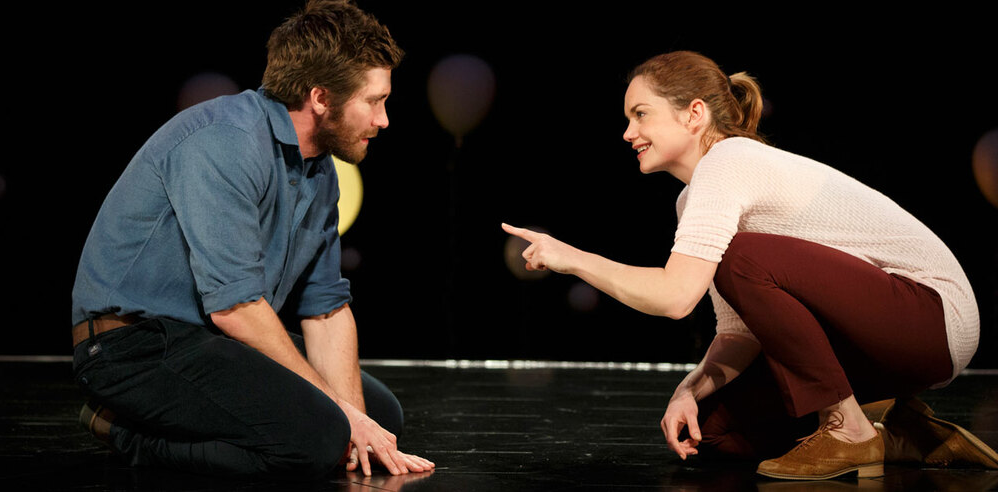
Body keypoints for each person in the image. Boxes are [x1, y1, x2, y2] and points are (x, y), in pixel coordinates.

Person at [502, 50, 995, 480]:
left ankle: (849, 429)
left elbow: (676, 298)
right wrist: (689, 389)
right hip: (883, 338)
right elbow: (741, 332)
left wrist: (572, 258)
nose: (628, 132)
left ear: (694, 113)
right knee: (713, 434)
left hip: (933, 319)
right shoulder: (697, 195)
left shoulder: (730, 161)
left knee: (741, 257)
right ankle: (900, 432)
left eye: (641, 114)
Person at [71, 0, 434, 479]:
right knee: (320, 437)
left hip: (209, 343)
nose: (384, 119)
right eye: (374, 101)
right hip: (133, 348)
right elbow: (235, 307)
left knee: (380, 419)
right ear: (321, 97)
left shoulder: (320, 168)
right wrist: (341, 422)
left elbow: (324, 308)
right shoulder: (227, 140)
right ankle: (123, 431)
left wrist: (355, 418)